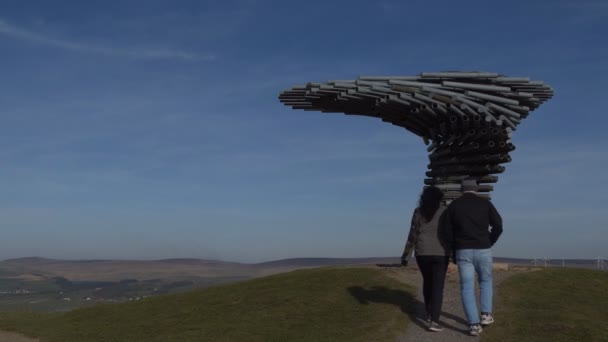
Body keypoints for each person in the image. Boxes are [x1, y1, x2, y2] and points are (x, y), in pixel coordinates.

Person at [440, 179, 503, 336]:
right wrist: (490, 241)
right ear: (476, 189)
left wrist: (453, 250)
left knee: (467, 287)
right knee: (485, 281)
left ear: (462, 190)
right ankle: (486, 315)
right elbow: (498, 225)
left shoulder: (454, 206)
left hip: (463, 250)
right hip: (483, 248)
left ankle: (474, 325)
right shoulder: (485, 204)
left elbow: (446, 232)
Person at [401, 186, 451, 332]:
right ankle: (434, 321)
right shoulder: (445, 211)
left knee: (428, 283)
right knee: (438, 287)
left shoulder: (418, 211)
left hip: (422, 252)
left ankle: (429, 314)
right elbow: (449, 233)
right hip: (441, 252)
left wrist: (405, 256)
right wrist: (454, 253)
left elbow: (412, 235)